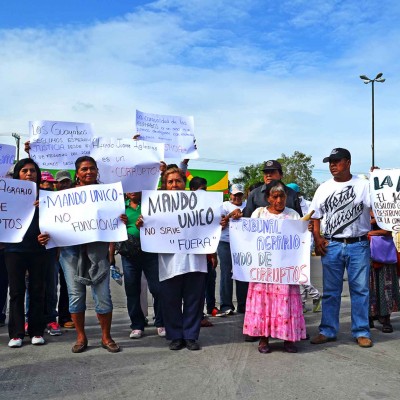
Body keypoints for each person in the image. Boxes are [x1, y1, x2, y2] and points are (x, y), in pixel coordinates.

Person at [138, 167, 217, 350]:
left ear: (184, 183)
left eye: (178, 181)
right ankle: (175, 336)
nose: (174, 184)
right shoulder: (155, 206)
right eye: (170, 181)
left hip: (195, 261)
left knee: (194, 300)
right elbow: (149, 230)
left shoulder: (200, 203)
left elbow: (211, 224)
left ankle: (190, 336)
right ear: (165, 185)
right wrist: (143, 224)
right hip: (169, 263)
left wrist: (219, 223)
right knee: (170, 301)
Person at [55, 156, 125, 353]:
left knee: (103, 296)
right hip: (71, 253)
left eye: (92, 168)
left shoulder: (107, 194)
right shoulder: (65, 197)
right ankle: (81, 337)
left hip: (97, 251)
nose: (89, 172)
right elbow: (56, 222)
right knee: (75, 296)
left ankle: (106, 337)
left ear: (97, 171)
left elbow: (114, 221)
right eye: (84, 169)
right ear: (77, 173)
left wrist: (120, 219)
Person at [309, 148, 373, 348]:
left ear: (348, 162)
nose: (332, 165)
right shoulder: (323, 188)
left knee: (360, 290)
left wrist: (379, 182)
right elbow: (315, 215)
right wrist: (317, 237)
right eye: (330, 161)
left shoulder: (363, 185)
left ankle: (361, 331)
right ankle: (327, 330)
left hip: (358, 243)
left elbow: (378, 205)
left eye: (337, 161)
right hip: (332, 244)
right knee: (330, 291)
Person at [242, 180, 306, 353]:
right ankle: (264, 339)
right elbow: (247, 236)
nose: (279, 201)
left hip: (284, 271)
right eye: (275, 197)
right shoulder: (259, 214)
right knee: (263, 303)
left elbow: (300, 240)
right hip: (264, 269)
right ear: (268, 198)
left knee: (286, 303)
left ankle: (288, 338)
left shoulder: (293, 215)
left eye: (282, 196)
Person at [4, 158, 49, 348]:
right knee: (16, 292)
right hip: (13, 249)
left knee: (38, 290)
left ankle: (37, 331)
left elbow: (58, 224)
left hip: (38, 249)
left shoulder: (47, 197)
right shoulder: (5, 195)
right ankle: (16, 333)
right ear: (17, 174)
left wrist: (47, 235)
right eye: (24, 171)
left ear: (38, 174)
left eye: (32, 170)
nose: (29, 174)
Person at [109, 192, 165, 339]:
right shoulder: (119, 207)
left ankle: (161, 322)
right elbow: (113, 231)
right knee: (132, 290)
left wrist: (146, 224)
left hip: (150, 252)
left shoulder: (150, 205)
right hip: (129, 255)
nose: (133, 191)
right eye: (130, 188)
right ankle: (137, 325)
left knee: (157, 288)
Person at [286, 182, 322, 313]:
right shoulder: (285, 203)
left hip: (304, 243)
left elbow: (312, 221)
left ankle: (314, 296)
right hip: (289, 243)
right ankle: (303, 302)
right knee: (295, 274)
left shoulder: (307, 204)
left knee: (300, 273)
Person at [189, 177, 216, 324]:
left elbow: (210, 232)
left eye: (206, 189)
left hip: (205, 253)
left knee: (201, 287)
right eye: (202, 189)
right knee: (193, 290)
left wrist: (213, 254)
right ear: (192, 190)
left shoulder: (208, 206)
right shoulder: (185, 206)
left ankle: (200, 316)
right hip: (190, 254)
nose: (205, 192)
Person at [217, 183, 248, 315]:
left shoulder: (247, 206)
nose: (237, 197)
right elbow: (218, 224)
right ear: (230, 194)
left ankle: (243, 304)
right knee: (226, 273)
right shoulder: (224, 206)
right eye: (235, 195)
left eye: (240, 195)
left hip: (243, 243)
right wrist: (230, 215)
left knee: (242, 273)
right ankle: (226, 305)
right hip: (225, 242)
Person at [368, 213, 400, 333]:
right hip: (366, 249)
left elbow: (392, 227)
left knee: (386, 284)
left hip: (385, 249)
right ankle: (369, 316)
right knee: (367, 284)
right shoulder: (362, 204)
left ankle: (386, 318)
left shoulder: (387, 204)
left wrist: (372, 228)